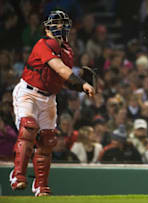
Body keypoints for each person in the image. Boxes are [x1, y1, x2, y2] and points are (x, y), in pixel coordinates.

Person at [9, 10, 95, 197]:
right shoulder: (42, 44)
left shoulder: (67, 50)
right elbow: (60, 69)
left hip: (49, 98)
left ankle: (41, 186)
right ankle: (18, 175)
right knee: (28, 129)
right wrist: (82, 82)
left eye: (62, 24)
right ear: (47, 28)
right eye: (55, 24)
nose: (59, 27)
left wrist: (80, 87)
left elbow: (60, 79)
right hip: (29, 93)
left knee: (47, 140)